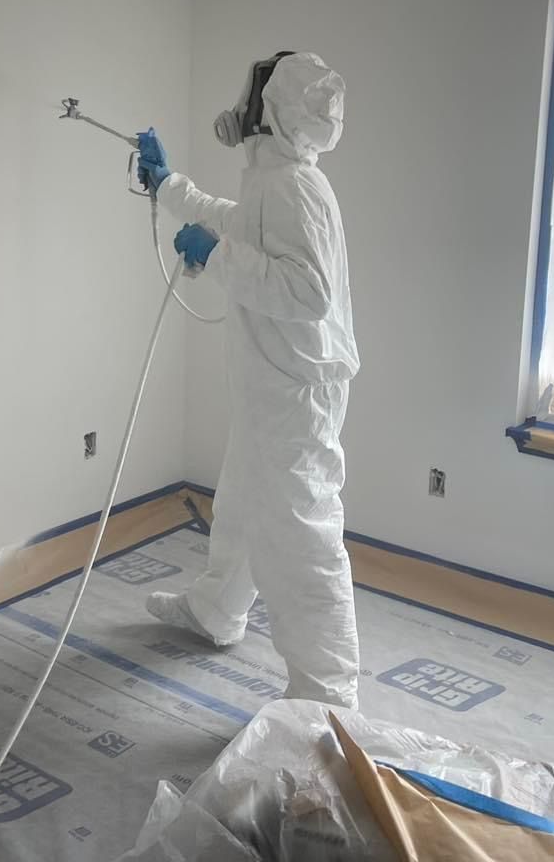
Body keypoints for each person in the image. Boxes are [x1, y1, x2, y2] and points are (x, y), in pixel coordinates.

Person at [137, 51, 361, 707]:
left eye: (255, 91)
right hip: (276, 384)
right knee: (241, 502)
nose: (243, 100)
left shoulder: (293, 187)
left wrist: (218, 255)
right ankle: (216, 610)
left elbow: (309, 291)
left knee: (300, 534)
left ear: (275, 109)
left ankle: (327, 698)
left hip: (295, 392)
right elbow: (237, 222)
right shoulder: (277, 182)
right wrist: (168, 184)